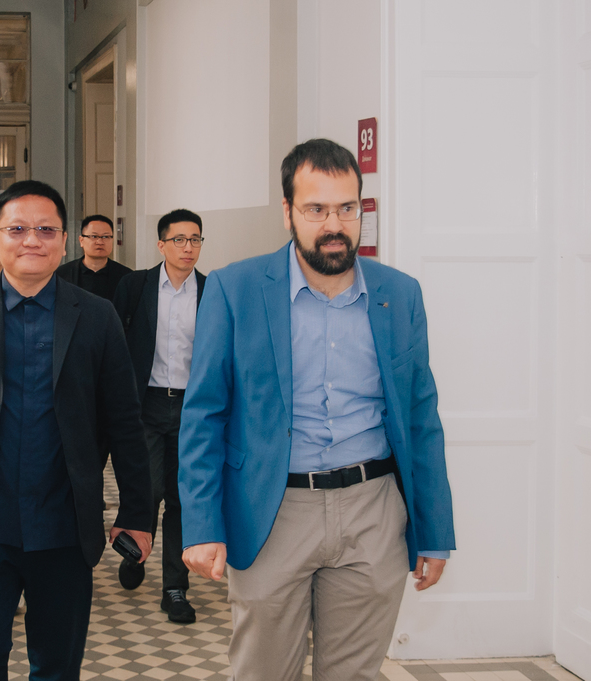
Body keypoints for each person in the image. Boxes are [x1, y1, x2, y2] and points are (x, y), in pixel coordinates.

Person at [179, 139, 456, 681]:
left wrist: (434, 529)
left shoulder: (400, 294)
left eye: (347, 208)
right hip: (271, 509)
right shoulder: (236, 289)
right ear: (288, 212)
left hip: (373, 509)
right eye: (316, 209)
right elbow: (204, 416)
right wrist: (201, 524)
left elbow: (421, 418)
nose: (335, 224)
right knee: (263, 673)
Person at [0, 180, 154, 681]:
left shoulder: (98, 317)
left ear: (64, 241)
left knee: (58, 667)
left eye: (46, 230)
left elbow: (126, 423)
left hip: (63, 529)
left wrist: (136, 513)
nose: (32, 241)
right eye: (17, 229)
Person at [111, 209, 207, 623]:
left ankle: (175, 589)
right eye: (179, 239)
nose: (188, 247)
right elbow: (114, 345)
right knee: (147, 490)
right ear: (161, 244)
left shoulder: (211, 291)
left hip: (191, 407)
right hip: (146, 404)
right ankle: (134, 553)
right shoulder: (135, 286)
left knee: (181, 497)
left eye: (195, 239)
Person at [56, 215, 132, 300]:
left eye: (105, 237)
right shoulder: (61, 274)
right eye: (94, 236)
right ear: (81, 240)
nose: (100, 242)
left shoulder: (127, 276)